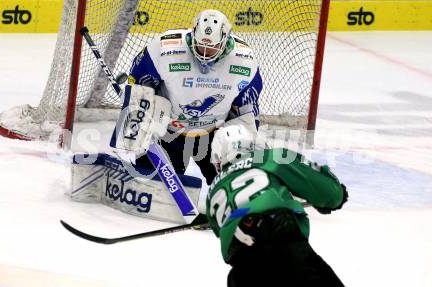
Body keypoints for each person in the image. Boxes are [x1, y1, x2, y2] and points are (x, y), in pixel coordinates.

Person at [116, 9, 262, 185]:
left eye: (212, 47)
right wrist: (138, 113)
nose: (205, 53)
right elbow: (140, 83)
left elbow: (247, 111)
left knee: (238, 183)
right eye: (201, 45)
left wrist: (244, 144)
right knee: (150, 187)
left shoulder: (244, 61)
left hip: (216, 134)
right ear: (193, 34)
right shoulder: (165, 49)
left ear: (225, 41)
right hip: (168, 132)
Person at [206, 124, 348, 287]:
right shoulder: (269, 158)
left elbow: (219, 228)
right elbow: (329, 193)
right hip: (282, 244)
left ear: (218, 158)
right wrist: (337, 196)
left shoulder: (211, 194)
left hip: (242, 268)